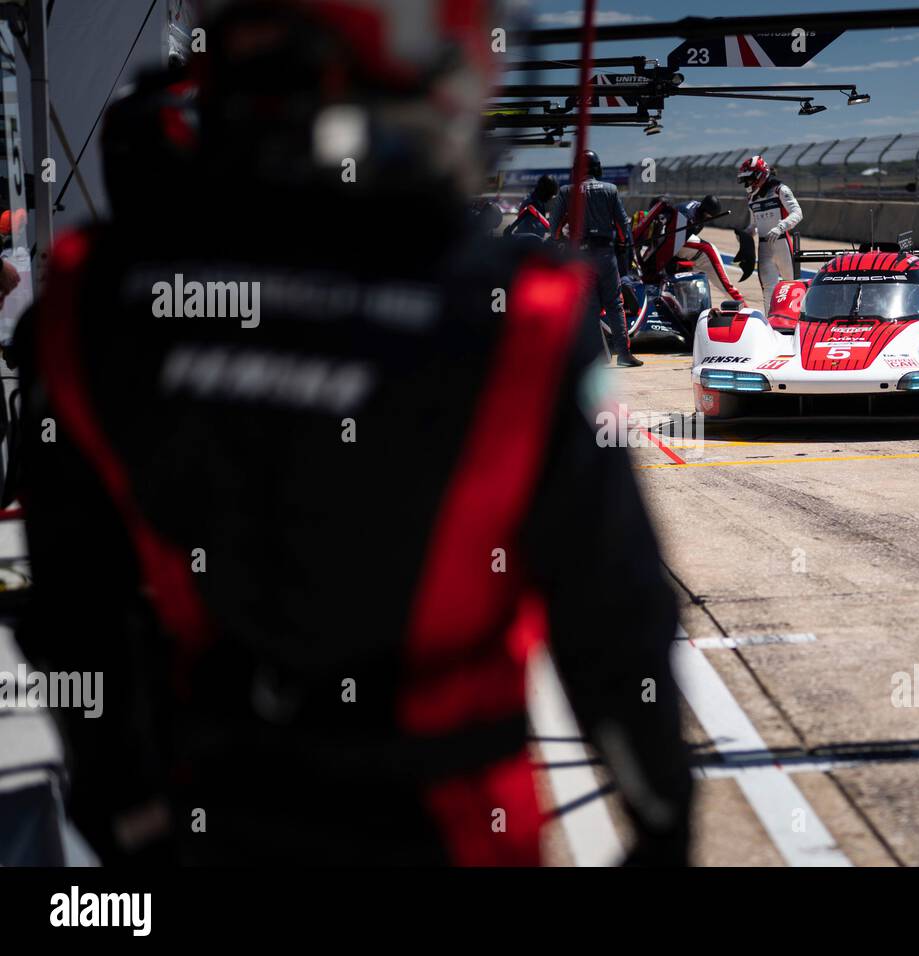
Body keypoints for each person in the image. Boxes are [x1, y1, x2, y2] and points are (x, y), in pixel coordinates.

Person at [15, 0, 691, 867]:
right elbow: (615, 618)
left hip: (205, 814)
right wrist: (663, 819)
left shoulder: (89, 302)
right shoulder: (521, 318)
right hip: (448, 822)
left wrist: (126, 804)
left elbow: (77, 610)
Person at [550, 149, 641, 367]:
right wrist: (622, 245)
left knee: (588, 306)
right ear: (598, 168)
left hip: (581, 256)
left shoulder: (566, 191)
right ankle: (624, 355)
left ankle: (597, 356)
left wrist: (561, 241)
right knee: (615, 305)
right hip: (606, 255)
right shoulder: (610, 189)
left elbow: (555, 227)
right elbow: (623, 224)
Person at [633, 194, 745, 305]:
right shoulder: (686, 218)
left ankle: (744, 307)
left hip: (693, 249)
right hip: (684, 249)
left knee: (724, 286)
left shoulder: (688, 217)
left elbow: (667, 248)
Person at [733, 154, 803, 311]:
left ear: (759, 174)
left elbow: (797, 213)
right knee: (768, 290)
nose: (747, 183)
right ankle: (770, 324)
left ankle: (796, 322)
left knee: (791, 285)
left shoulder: (780, 190)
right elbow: (754, 225)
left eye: (749, 178)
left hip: (782, 243)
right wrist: (745, 234)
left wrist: (781, 227)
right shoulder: (751, 198)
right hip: (764, 248)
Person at [503, 174, 558, 241]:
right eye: (549, 195)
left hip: (530, 240)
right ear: (544, 191)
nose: (549, 199)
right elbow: (533, 227)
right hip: (526, 243)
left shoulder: (537, 200)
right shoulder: (532, 203)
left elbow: (539, 219)